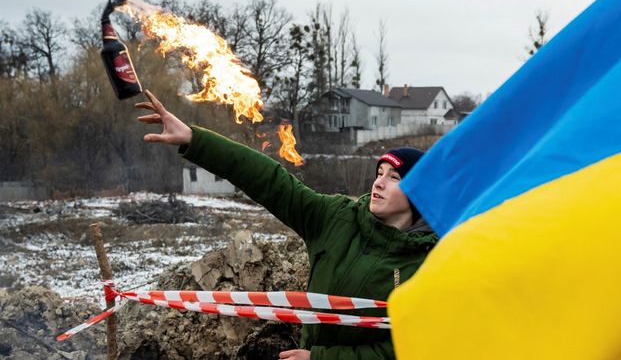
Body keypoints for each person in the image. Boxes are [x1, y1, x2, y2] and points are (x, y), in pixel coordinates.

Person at [136, 90, 437, 360]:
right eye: (379, 172)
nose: (379, 183)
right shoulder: (336, 218)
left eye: (393, 178)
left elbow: (403, 349)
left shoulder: (429, 265)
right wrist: (195, 140)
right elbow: (269, 180)